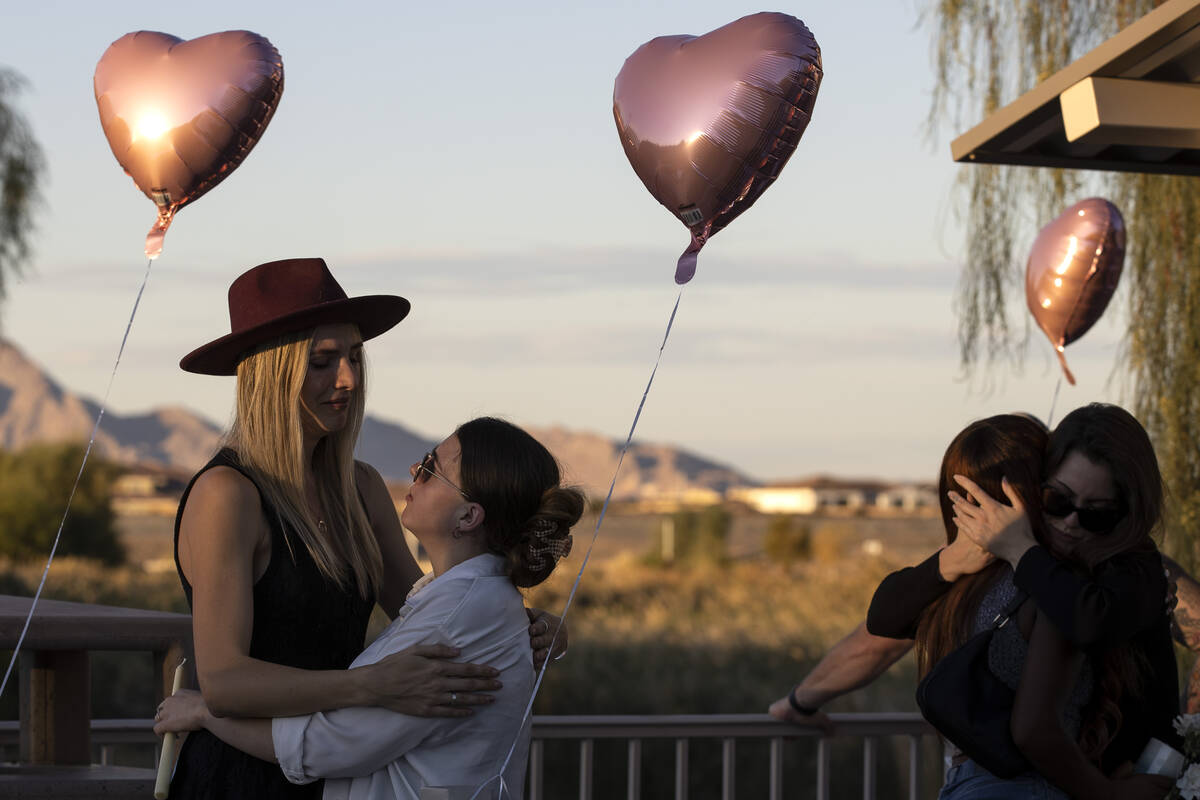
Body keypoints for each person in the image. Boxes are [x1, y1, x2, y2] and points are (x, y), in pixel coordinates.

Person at [165, 259, 565, 798]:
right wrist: (366, 686)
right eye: (323, 362)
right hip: (242, 773)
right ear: (272, 374)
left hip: (340, 773)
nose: (349, 379)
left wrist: (523, 631)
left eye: (354, 357)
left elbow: (427, 612)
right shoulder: (228, 495)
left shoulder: (362, 488)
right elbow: (224, 684)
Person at [157, 417, 583, 799]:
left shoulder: (457, 614)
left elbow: (327, 744)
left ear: (469, 516)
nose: (416, 472)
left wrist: (203, 712)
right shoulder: (462, 602)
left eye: (432, 468)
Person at [865, 411, 1174, 798]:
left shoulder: (1062, 579)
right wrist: (951, 560)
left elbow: (1090, 626)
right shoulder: (1000, 572)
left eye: (1097, 513)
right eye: (1056, 500)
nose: (1071, 521)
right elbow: (882, 617)